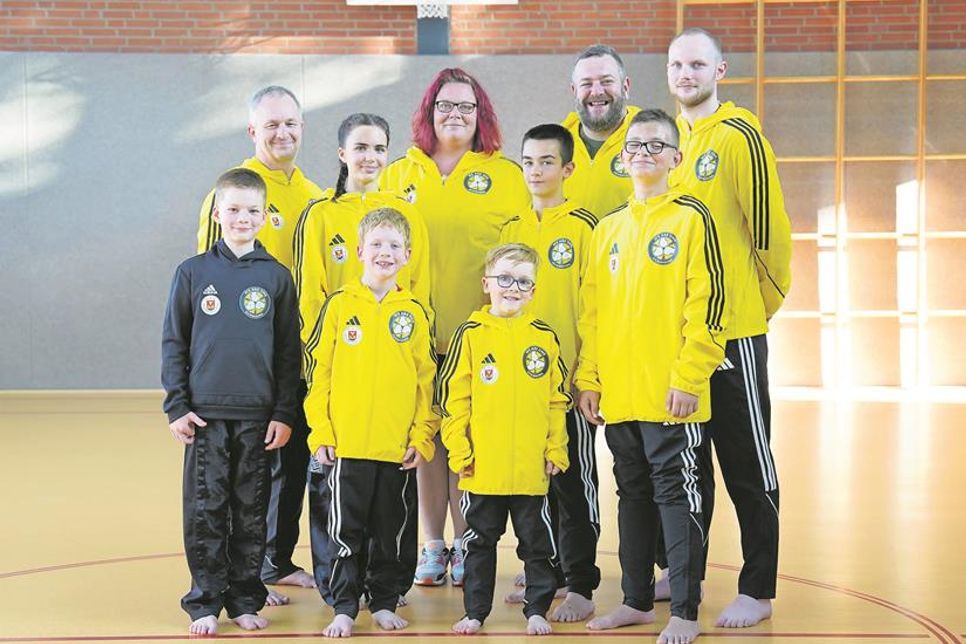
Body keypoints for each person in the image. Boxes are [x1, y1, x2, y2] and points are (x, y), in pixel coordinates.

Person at [574, 109, 728, 644]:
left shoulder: (692, 218)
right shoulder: (608, 229)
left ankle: (684, 609)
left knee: (676, 494)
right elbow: (590, 313)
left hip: (672, 396)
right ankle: (636, 601)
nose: (643, 152)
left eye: (655, 145)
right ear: (622, 158)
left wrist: (689, 378)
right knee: (631, 494)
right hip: (619, 393)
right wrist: (589, 378)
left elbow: (708, 307)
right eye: (635, 145)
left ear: (676, 158)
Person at [380, 68, 530, 588]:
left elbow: (519, 258)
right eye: (445, 105)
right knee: (427, 445)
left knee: (466, 440)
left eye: (467, 107)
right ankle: (431, 546)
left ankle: (468, 546)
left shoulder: (505, 175)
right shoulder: (399, 175)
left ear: (481, 114)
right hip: (414, 336)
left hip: (478, 337)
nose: (455, 114)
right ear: (428, 111)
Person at [665, 27, 792, 629]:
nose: (685, 73)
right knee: (688, 466)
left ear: (721, 70)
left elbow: (771, 233)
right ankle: (684, 573)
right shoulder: (670, 139)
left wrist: (754, 309)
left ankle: (758, 587)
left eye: (697, 64)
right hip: (683, 336)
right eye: (677, 64)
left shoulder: (739, 136)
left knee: (747, 462)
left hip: (734, 332)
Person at [292, 113, 431, 604]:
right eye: (360, 147)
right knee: (343, 502)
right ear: (342, 154)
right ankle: (343, 593)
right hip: (341, 374)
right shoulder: (320, 214)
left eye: (378, 148)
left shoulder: (407, 213)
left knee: (389, 504)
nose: (370, 157)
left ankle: (386, 590)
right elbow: (310, 294)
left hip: (393, 381)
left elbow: (419, 291)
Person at [196, 85, 323, 603]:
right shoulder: (230, 194)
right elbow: (207, 281)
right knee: (241, 471)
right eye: (271, 124)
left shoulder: (315, 196)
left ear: (302, 127)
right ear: (253, 131)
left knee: (290, 463)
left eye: (290, 123)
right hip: (243, 360)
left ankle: (275, 559)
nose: (282, 132)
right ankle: (238, 570)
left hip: (295, 353)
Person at [162, 168, 301, 635]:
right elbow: (174, 342)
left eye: (253, 211)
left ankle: (245, 597)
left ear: (265, 217)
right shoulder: (193, 272)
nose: (243, 217)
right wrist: (177, 405)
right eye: (234, 209)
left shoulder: (277, 278)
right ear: (218, 213)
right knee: (205, 511)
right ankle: (203, 601)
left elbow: (288, 353)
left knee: (250, 511)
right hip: (205, 416)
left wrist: (283, 411)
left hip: (257, 418)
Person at [303, 207, 437, 638]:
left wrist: (422, 436)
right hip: (347, 445)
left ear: (408, 255)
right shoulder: (340, 306)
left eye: (394, 246)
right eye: (377, 244)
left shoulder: (414, 312)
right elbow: (319, 373)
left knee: (390, 531)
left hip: (395, 447)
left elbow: (425, 384)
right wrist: (321, 431)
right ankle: (344, 605)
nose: (385, 252)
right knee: (344, 530)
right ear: (359, 251)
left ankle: (383, 600)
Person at [437, 243, 570, 636]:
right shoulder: (471, 334)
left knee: (537, 545)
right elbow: (453, 398)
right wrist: (460, 450)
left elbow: (555, 399)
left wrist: (555, 448)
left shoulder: (543, 336)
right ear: (486, 284)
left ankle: (537, 610)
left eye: (523, 281)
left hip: (530, 468)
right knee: (479, 544)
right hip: (483, 468)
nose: (513, 288)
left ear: (533, 289)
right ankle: (476, 611)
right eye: (505, 279)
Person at [498, 124, 600, 622]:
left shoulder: (584, 227)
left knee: (575, 481)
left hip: (569, 385)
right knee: (536, 484)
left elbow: (594, 307)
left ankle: (581, 582)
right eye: (528, 161)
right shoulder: (510, 229)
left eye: (546, 162)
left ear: (567, 169)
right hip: (523, 385)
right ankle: (548, 573)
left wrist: (588, 375)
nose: (536, 171)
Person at [562, 44, 641, 218]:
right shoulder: (557, 145)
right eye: (586, 83)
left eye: (606, 81)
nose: (597, 91)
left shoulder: (652, 140)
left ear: (625, 86)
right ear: (574, 91)